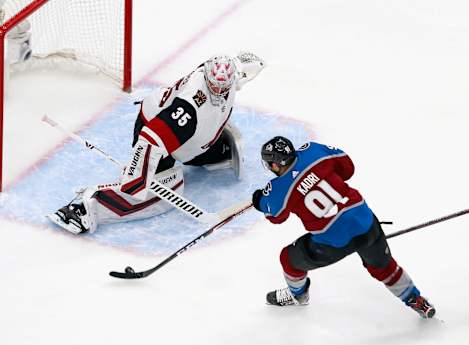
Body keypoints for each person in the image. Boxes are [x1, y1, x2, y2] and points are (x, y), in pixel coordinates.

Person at [48, 52, 265, 235]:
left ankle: (210, 151)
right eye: (214, 87)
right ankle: (84, 209)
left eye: (223, 87)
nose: (219, 92)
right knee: (154, 192)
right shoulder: (191, 106)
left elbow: (245, 66)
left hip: (191, 140)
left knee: (217, 154)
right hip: (157, 131)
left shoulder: (226, 75)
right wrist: (137, 177)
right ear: (207, 76)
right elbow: (152, 138)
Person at [251, 136, 436, 318]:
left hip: (331, 244)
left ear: (275, 165)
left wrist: (260, 200)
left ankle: (298, 294)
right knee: (384, 267)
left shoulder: (277, 190)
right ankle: (416, 299)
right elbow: (348, 168)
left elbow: (276, 217)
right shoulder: (313, 151)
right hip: (364, 222)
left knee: (288, 259)